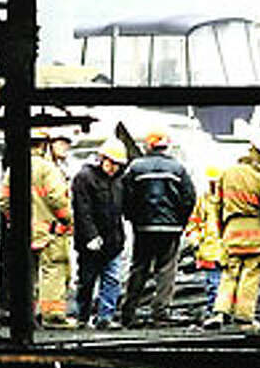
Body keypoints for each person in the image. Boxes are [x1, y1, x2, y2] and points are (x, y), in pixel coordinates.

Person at [202, 134, 260, 333]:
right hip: (255, 236)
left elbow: (216, 205)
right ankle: (244, 318)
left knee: (229, 275)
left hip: (231, 233)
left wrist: (222, 233)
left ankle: (220, 312)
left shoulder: (226, 174)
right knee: (250, 275)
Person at [0, 129, 76, 328]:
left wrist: (13, 221)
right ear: (43, 145)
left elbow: (4, 201)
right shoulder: (48, 169)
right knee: (53, 270)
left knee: (25, 274)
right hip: (50, 232)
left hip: (23, 232)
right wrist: (67, 220)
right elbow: (57, 198)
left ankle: (25, 316)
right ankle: (53, 316)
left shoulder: (13, 168)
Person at [118, 130, 195, 327]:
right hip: (170, 228)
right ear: (165, 147)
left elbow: (124, 196)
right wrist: (180, 222)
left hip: (143, 227)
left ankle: (128, 312)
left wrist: (133, 218)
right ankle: (160, 312)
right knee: (167, 269)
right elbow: (189, 198)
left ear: (147, 146)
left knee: (139, 268)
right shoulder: (178, 168)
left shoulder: (135, 167)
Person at [71, 138, 128, 329]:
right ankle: (82, 316)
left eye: (118, 165)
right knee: (87, 281)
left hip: (113, 241)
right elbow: (82, 211)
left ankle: (105, 317)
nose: (114, 168)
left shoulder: (119, 180)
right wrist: (91, 236)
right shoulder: (85, 178)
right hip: (91, 243)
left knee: (112, 280)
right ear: (101, 158)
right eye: (111, 163)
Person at [183, 165, 224, 315]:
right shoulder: (203, 200)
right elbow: (194, 222)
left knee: (225, 283)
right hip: (210, 249)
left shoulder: (229, 201)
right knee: (213, 283)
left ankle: (221, 311)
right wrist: (196, 241)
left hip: (226, 249)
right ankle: (215, 310)